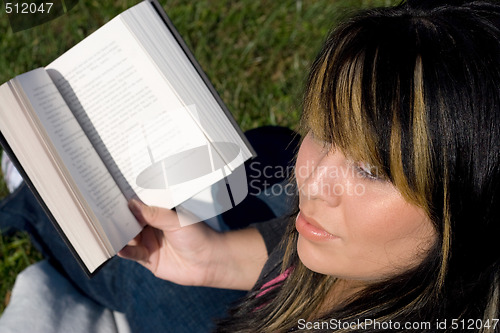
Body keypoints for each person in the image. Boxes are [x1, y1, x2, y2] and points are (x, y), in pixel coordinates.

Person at [1, 0, 500, 332]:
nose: (314, 178)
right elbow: (289, 244)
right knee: (271, 152)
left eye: (369, 169)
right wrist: (213, 258)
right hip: (249, 286)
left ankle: (32, 195)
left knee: (138, 271)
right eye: (324, 131)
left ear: (475, 208)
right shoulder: (378, 268)